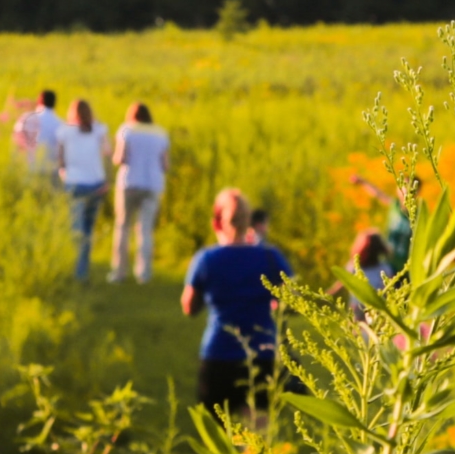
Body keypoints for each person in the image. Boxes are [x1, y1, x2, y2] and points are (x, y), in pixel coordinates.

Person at [182, 188, 293, 417]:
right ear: (248, 221)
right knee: (259, 439)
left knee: (218, 440)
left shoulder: (206, 259)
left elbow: (189, 307)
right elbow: (292, 302)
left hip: (219, 353)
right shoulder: (271, 257)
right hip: (263, 353)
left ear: (217, 222)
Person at [109, 101, 170, 283]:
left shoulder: (127, 130)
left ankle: (119, 272)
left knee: (123, 227)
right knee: (145, 229)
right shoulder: (160, 133)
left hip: (129, 183)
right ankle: (144, 274)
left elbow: (119, 158)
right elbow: (165, 165)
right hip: (152, 185)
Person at [57, 98, 112, 282]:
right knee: (88, 230)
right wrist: (108, 181)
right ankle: (83, 270)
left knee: (77, 230)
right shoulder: (100, 129)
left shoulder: (64, 131)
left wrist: (63, 175)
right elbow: (108, 156)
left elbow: (61, 160)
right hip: (96, 183)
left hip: (74, 184)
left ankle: (78, 271)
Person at [12, 88, 65, 181]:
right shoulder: (61, 124)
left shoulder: (26, 118)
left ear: (39, 101)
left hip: (30, 169)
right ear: (54, 103)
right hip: (51, 172)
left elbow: (17, 142)